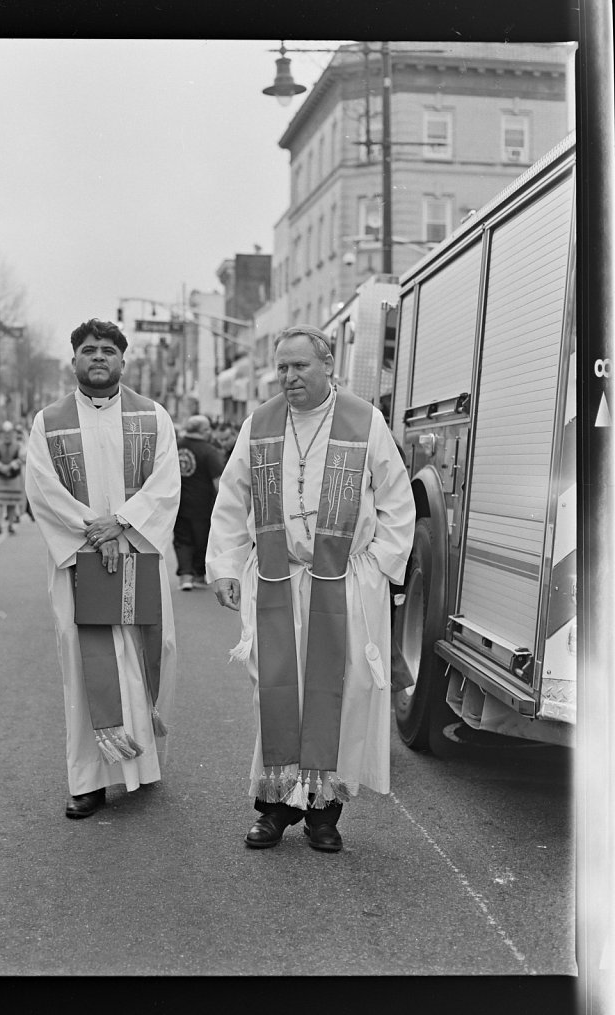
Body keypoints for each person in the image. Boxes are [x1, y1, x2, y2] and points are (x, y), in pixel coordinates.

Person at [206, 325, 415, 853]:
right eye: (282, 367)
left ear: (327, 366)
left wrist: (377, 568)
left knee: (340, 694)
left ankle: (325, 814)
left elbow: (396, 501)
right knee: (277, 691)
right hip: (279, 576)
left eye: (299, 366)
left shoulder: (364, 422)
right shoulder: (261, 424)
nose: (288, 376)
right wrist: (226, 567)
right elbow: (233, 499)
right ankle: (275, 809)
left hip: (343, 583)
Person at [24, 318, 180, 819]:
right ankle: (88, 779)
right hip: (77, 562)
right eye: (88, 350)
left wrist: (124, 524)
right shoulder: (48, 422)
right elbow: (42, 489)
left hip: (140, 552)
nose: (98, 357)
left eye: (108, 350)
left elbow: (165, 483)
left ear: (122, 360)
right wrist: (93, 533)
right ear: (73, 360)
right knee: (82, 659)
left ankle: (142, 761)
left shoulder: (153, 417)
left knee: (151, 650)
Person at [174, 414, 224, 591]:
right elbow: (218, 482)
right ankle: (197, 575)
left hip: (178, 503)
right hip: (202, 506)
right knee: (201, 540)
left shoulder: (175, 446)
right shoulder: (208, 451)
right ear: (203, 431)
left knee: (182, 540)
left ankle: (185, 577)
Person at [0, 421, 24, 534]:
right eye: (5, 433)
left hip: (14, 477)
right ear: (2, 434)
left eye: (9, 433)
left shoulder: (18, 445)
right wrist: (1, 467)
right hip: (0, 477)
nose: (7, 435)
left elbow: (23, 457)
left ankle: (11, 524)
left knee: (12, 502)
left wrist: (12, 465)